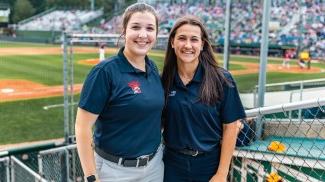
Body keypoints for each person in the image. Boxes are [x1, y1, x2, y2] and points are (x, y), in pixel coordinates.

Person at [75, 3, 164, 182]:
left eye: (150, 28)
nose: (143, 34)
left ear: (156, 34)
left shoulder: (153, 68)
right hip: (114, 171)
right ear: (124, 31)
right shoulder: (104, 72)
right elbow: (82, 127)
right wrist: (91, 177)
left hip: (154, 168)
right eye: (136, 27)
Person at [161, 15, 246, 182]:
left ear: (202, 44)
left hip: (209, 165)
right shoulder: (164, 80)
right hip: (171, 165)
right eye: (182, 38)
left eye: (194, 39)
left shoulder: (222, 79)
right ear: (172, 42)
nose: (188, 45)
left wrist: (221, 174)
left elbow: (230, 128)